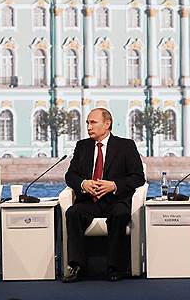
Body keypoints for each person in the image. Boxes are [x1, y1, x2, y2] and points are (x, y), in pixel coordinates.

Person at [63, 107, 145, 282]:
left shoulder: (125, 146)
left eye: (93, 122)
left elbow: (138, 177)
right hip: (89, 201)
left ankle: (115, 267)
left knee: (120, 214)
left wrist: (114, 185)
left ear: (107, 124)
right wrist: (84, 184)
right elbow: (70, 175)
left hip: (115, 200)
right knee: (73, 213)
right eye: (87, 123)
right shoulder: (82, 146)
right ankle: (77, 267)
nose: (89, 127)